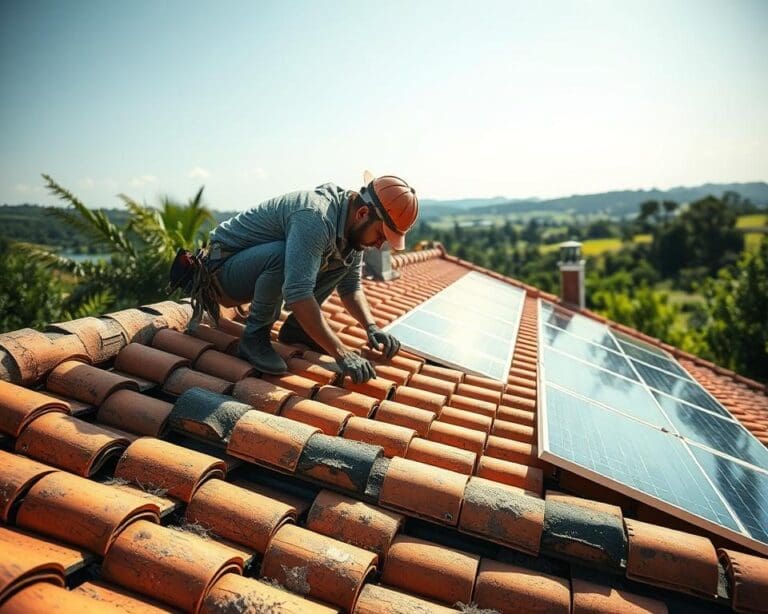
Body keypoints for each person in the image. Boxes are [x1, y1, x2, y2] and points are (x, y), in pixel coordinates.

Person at [204, 171, 419, 383]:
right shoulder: (315, 217)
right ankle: (254, 337)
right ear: (363, 213)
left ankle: (298, 329)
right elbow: (297, 294)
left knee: (345, 256)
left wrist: (371, 326)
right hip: (221, 273)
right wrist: (341, 353)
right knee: (282, 254)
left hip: (248, 273)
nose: (379, 245)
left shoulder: (352, 231)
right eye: (380, 235)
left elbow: (351, 288)